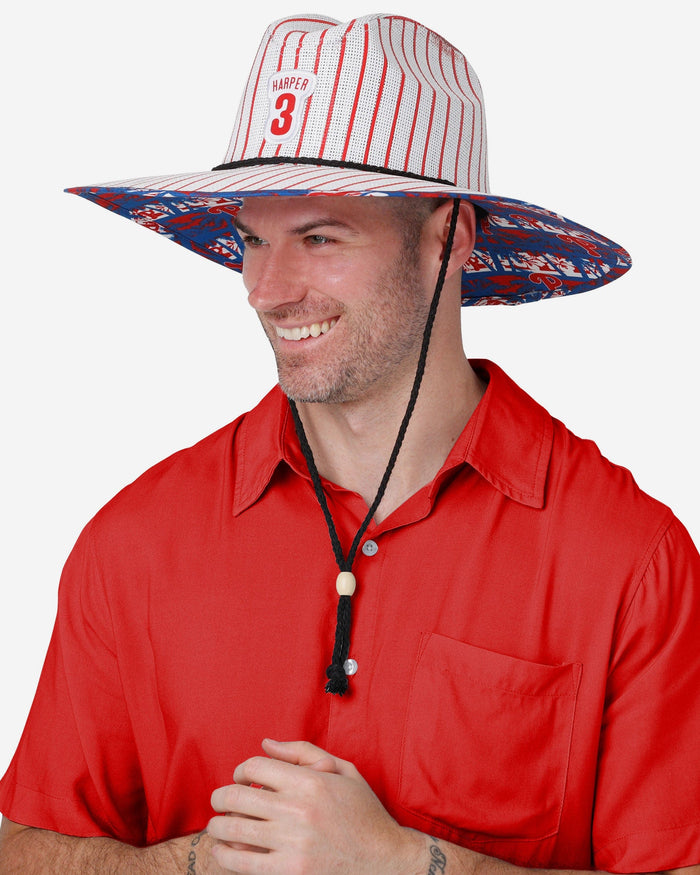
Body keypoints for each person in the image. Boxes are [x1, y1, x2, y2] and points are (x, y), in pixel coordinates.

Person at [1, 11, 698, 874]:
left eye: (320, 237)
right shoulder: (135, 545)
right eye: (253, 240)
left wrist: (406, 864)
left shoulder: (626, 559)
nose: (266, 289)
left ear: (448, 238)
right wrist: (193, 864)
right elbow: (25, 851)